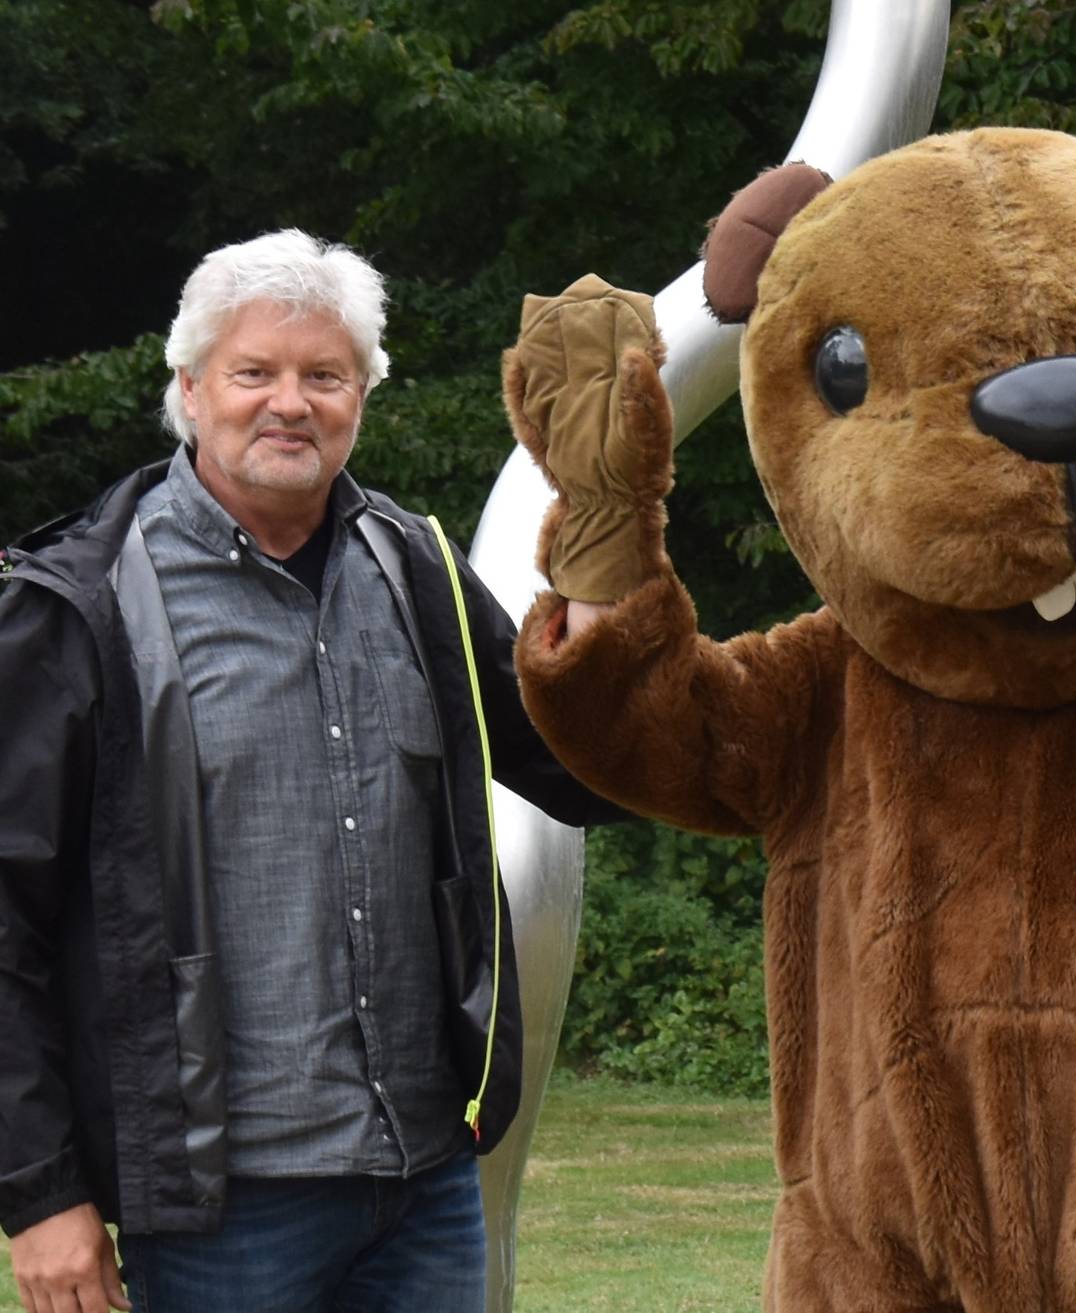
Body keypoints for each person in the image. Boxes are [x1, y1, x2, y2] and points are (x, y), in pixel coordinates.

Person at [0, 230, 625, 1313]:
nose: (290, 401)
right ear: (191, 390)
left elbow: (589, 763)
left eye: (324, 375)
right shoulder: (77, 605)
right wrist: (39, 1195)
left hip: (426, 1180)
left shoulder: (417, 569)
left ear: (361, 399)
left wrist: (621, 582)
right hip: (224, 1210)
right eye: (255, 372)